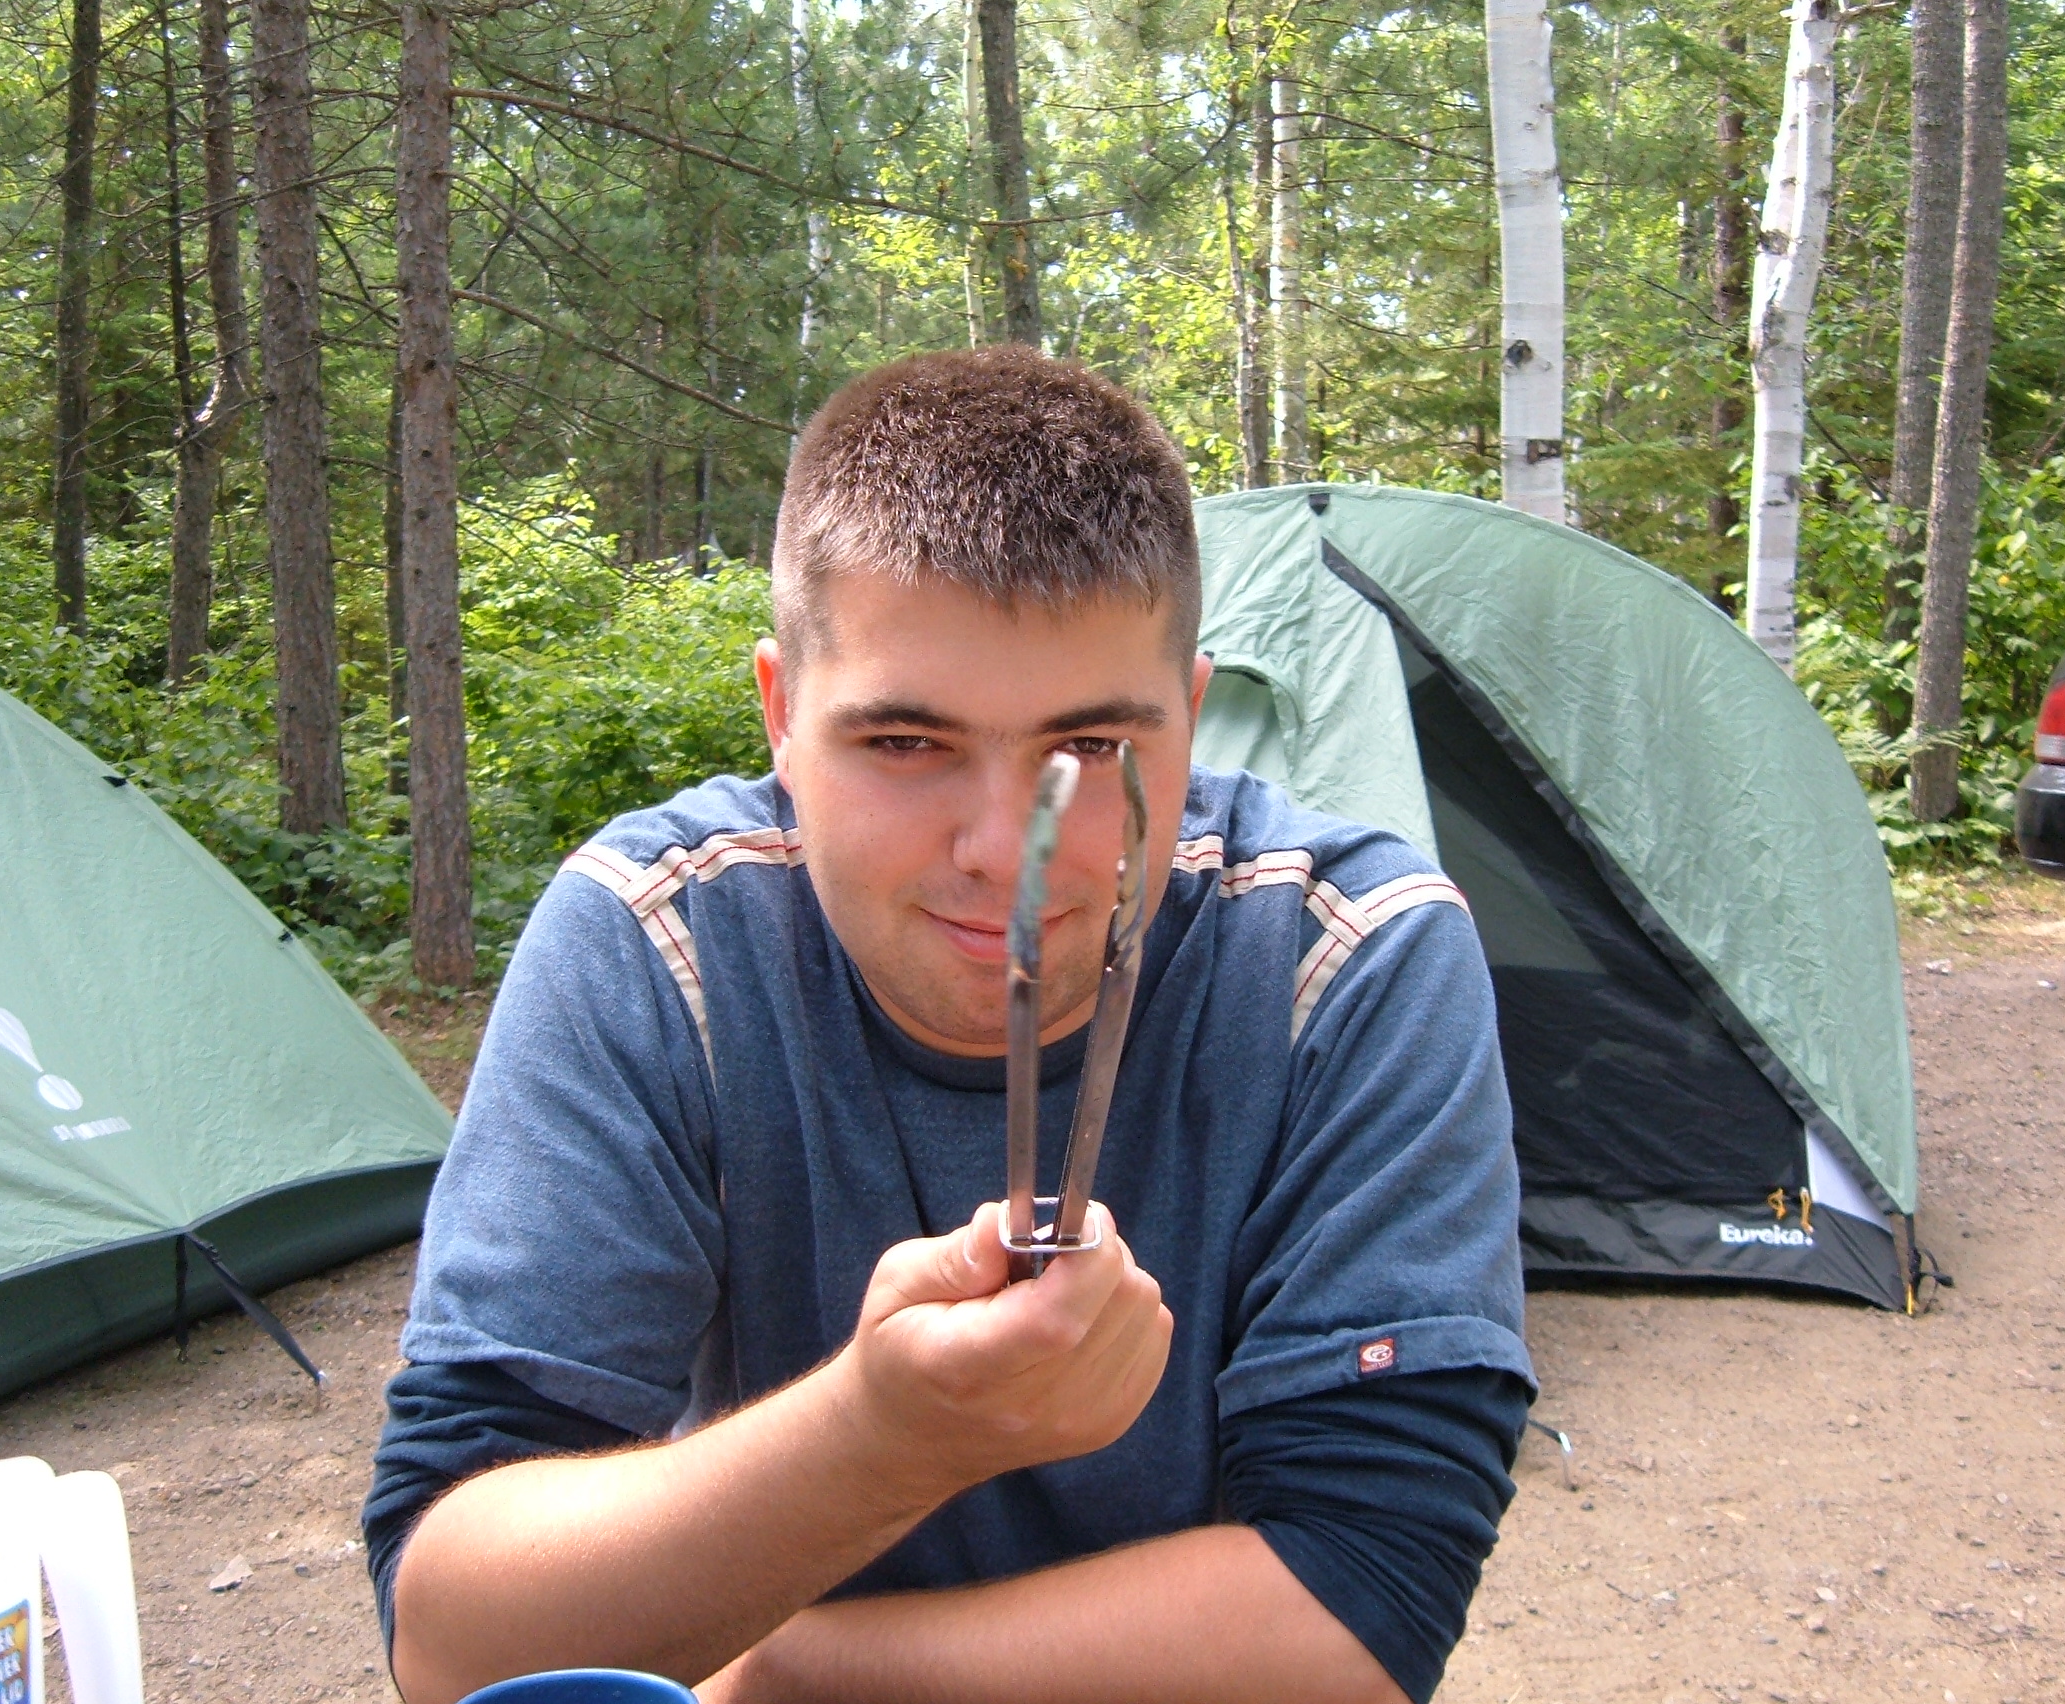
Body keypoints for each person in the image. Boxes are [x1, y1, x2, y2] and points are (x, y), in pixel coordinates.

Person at [363, 345, 1534, 1704]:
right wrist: (880, 1435)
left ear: (1192, 720)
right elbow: (450, 1640)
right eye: (907, 745)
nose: (1004, 852)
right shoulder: (664, 944)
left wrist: (777, 1672)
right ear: (781, 714)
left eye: (1093, 747)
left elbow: (1362, 1607)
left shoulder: (1345, 957)